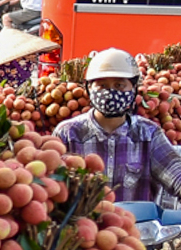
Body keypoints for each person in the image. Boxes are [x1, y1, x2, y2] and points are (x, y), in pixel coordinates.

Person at [54, 48, 181, 204]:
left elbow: (175, 173)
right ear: (89, 89)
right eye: (102, 85)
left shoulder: (148, 134)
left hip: (136, 226)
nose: (110, 92)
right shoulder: (68, 133)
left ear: (134, 90)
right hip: (82, 226)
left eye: (119, 85)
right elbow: (51, 183)